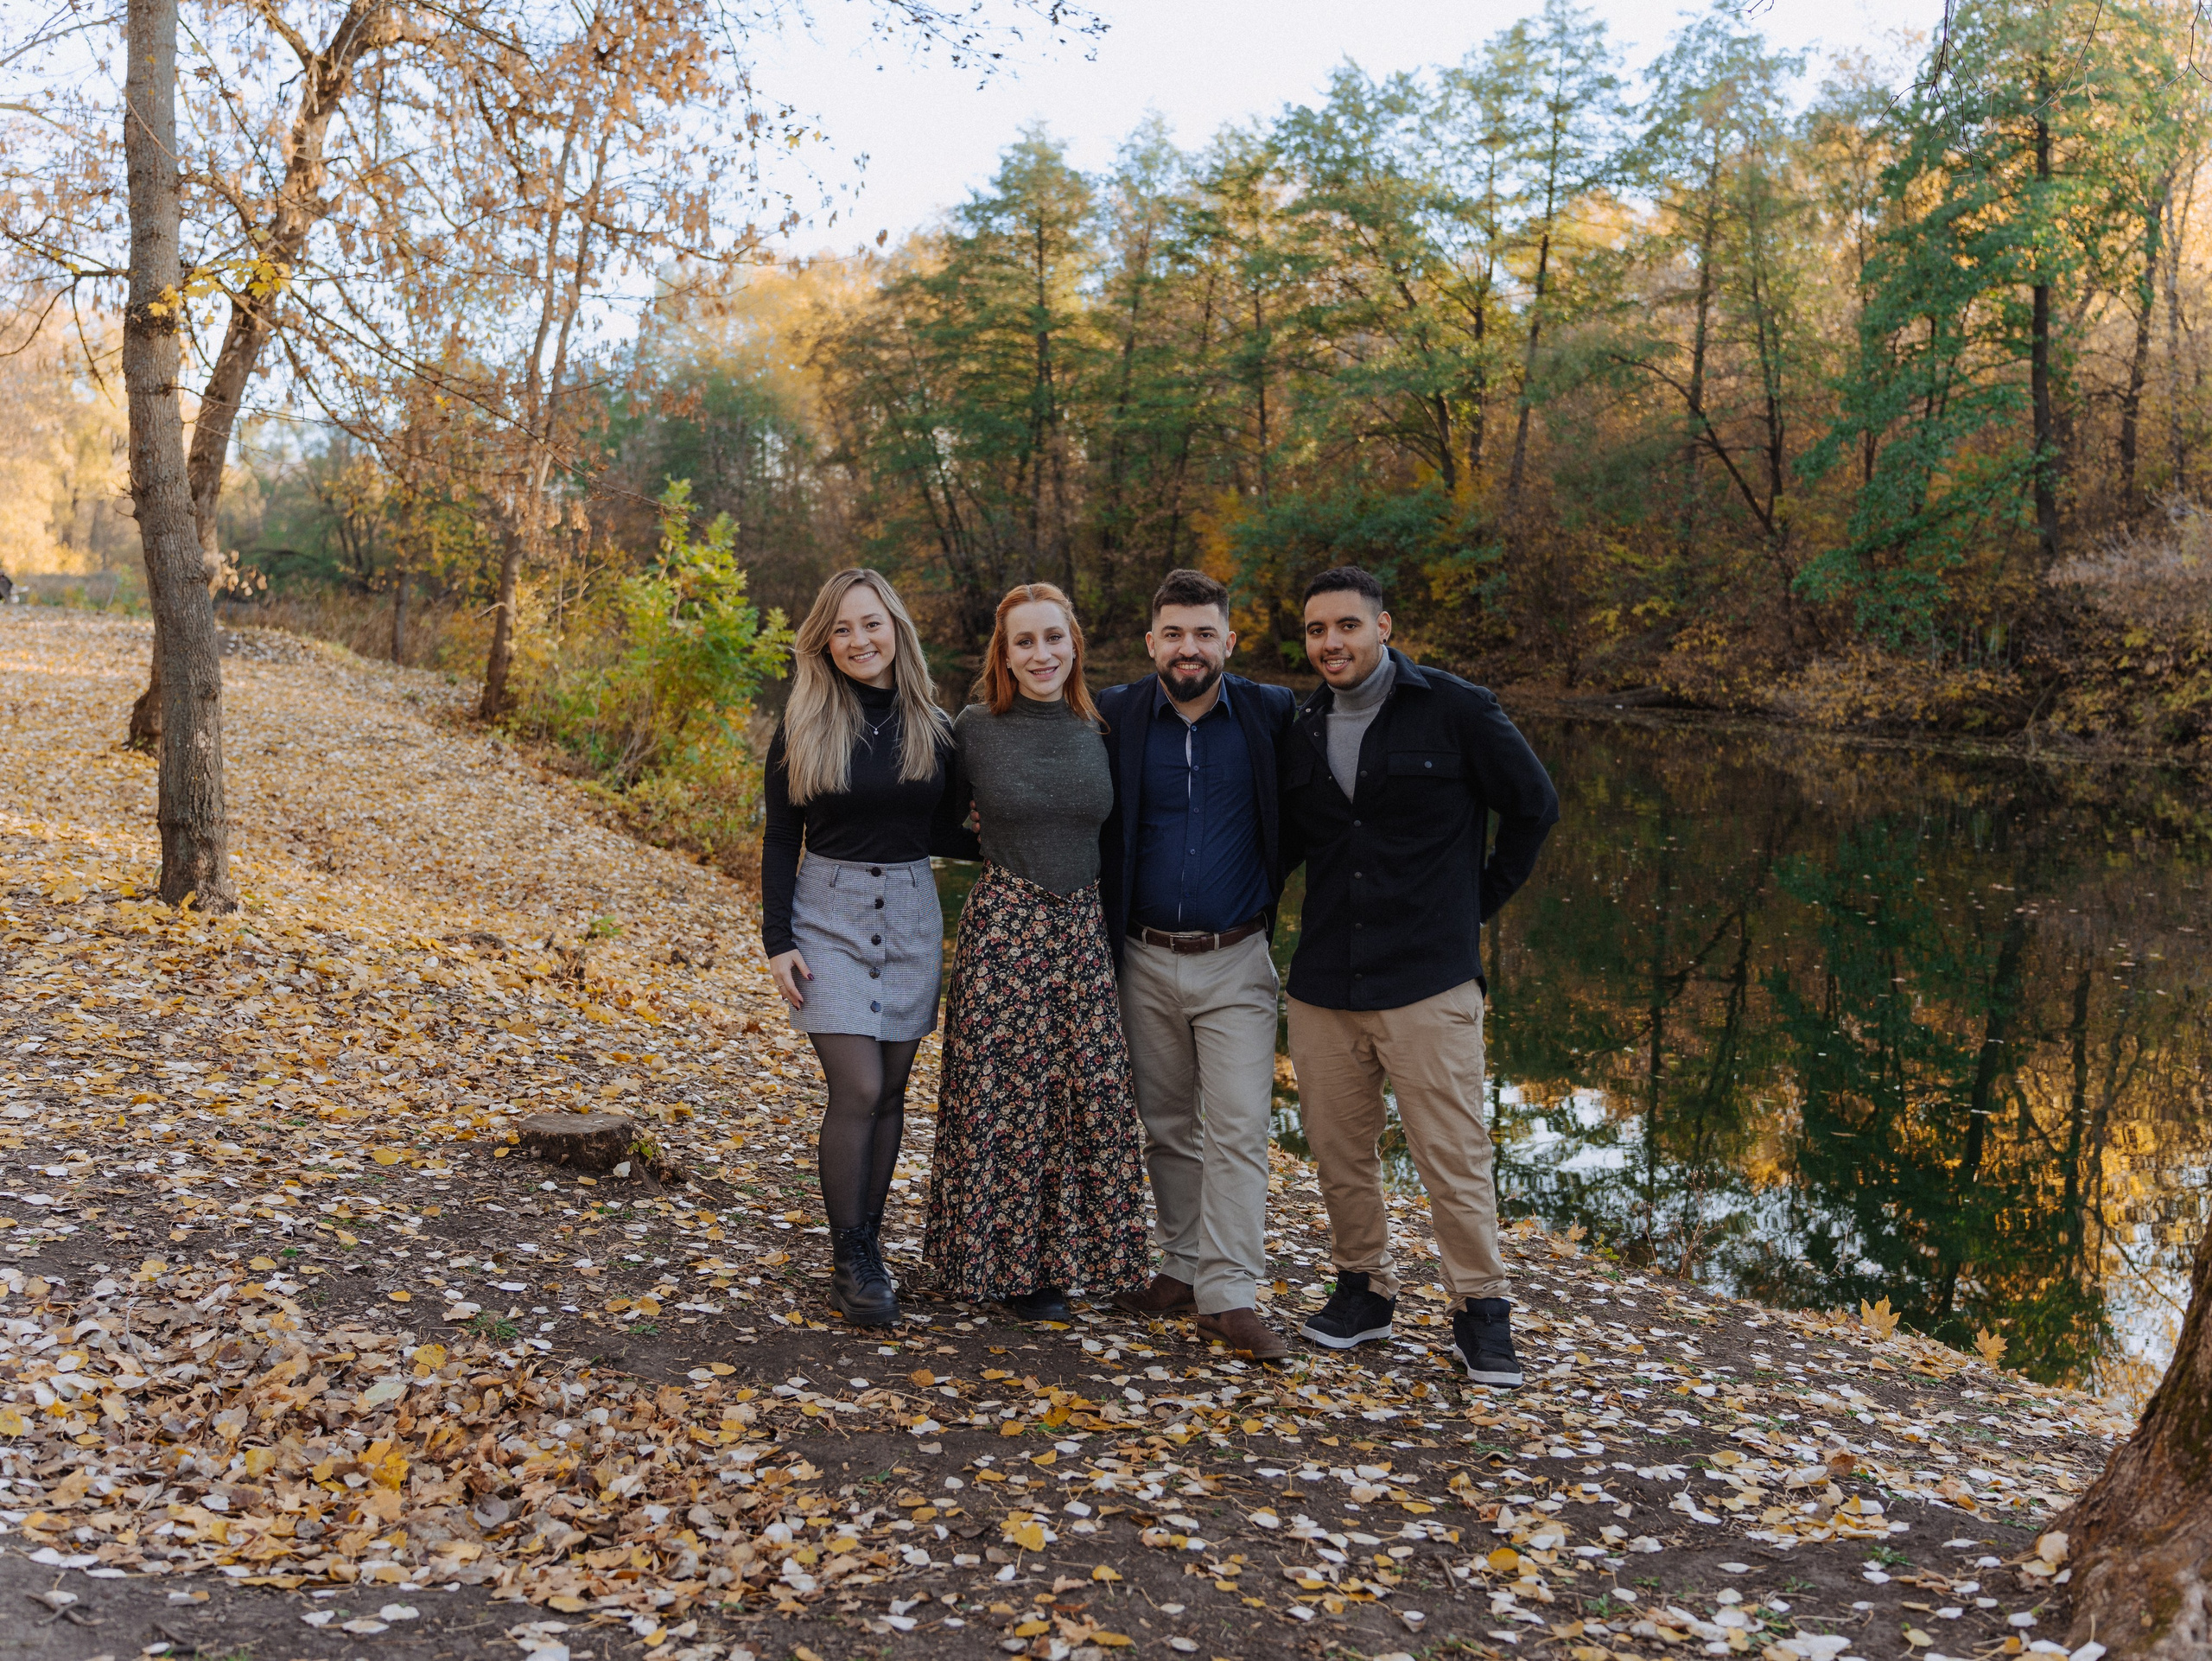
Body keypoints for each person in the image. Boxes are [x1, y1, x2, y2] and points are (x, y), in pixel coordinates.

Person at [1277, 565, 1559, 1384]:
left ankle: (1482, 1310)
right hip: (1326, 982)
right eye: (1317, 630)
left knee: (1453, 1154)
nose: (1331, 642)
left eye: (1347, 625)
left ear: (1384, 627)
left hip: (1430, 982)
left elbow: (1534, 806)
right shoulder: (1299, 728)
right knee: (1339, 1150)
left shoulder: (1457, 709)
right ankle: (1363, 1290)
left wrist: (1473, 906)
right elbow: (1284, 847)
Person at [922, 582, 1148, 1321]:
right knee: (1008, 1097)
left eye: (1053, 638)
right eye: (1024, 641)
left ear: (1073, 644)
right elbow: (937, 825)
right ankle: (1006, 1270)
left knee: (1086, 1095)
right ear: (1005, 653)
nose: (1041, 654)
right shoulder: (975, 728)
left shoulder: (1100, 725)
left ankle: (1075, 1259)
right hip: (1007, 930)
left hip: (1082, 930)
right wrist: (997, 849)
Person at [761, 569, 977, 1328]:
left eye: (871, 623)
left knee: (891, 1091)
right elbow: (781, 835)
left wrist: (1031, 842)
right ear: (825, 641)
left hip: (913, 915)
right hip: (828, 919)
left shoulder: (935, 725)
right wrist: (777, 940)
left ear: (896, 628)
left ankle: (871, 1247)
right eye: (843, 629)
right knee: (856, 1087)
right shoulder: (804, 722)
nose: (859, 640)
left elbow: (945, 830)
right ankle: (850, 1257)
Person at [1096, 570, 1297, 1359]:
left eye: (1204, 634)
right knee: (1166, 1126)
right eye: (1174, 634)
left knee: (1240, 1128)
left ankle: (1230, 1294)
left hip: (1236, 959)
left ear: (1229, 642)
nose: (1190, 648)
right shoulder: (1115, 715)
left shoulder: (1272, 713)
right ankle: (1181, 1266)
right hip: (1142, 957)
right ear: (1152, 642)